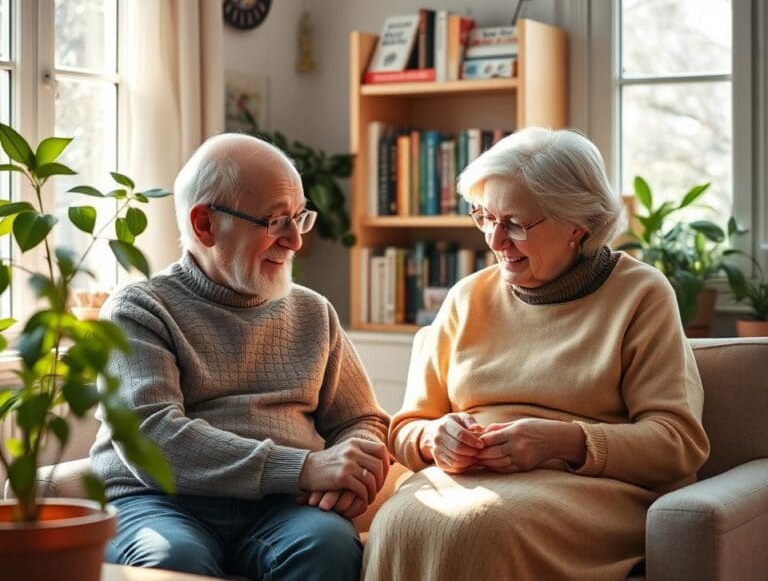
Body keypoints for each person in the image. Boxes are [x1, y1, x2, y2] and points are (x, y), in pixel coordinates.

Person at [363, 127, 710, 580]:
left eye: (515, 224)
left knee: (480, 528)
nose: (494, 240)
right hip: (465, 482)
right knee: (399, 520)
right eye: (485, 217)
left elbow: (678, 442)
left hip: (590, 489)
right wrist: (434, 438)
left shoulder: (640, 294)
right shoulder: (467, 297)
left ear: (577, 225)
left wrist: (564, 441)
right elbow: (406, 427)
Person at [91, 133, 390, 580]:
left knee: (326, 546)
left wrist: (353, 468)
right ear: (205, 225)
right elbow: (150, 437)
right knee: (174, 560)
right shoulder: (138, 309)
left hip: (280, 509)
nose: (295, 241)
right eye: (274, 222)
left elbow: (361, 419)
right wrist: (305, 467)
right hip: (156, 501)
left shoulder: (313, 312)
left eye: (298, 218)